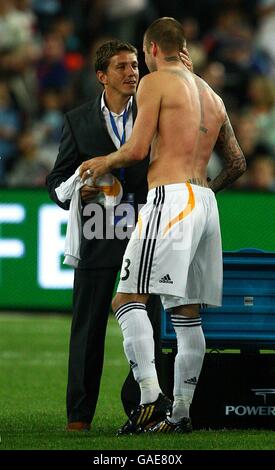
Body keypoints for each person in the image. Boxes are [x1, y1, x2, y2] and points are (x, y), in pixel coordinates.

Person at [79, 17, 246, 435]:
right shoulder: (211, 94)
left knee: (126, 299)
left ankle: (151, 400)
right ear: (181, 48)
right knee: (187, 316)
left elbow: (136, 149)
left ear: (151, 49)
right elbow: (239, 162)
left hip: (170, 198)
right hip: (204, 201)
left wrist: (105, 161)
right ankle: (182, 413)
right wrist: (201, 195)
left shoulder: (155, 83)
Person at [46, 38, 193, 431]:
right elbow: (57, 180)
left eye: (134, 65)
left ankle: (141, 407)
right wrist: (79, 190)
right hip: (97, 233)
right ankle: (79, 416)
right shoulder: (78, 121)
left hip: (147, 231)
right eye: (122, 67)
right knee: (87, 328)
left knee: (150, 322)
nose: (132, 73)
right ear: (101, 76)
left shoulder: (155, 110)